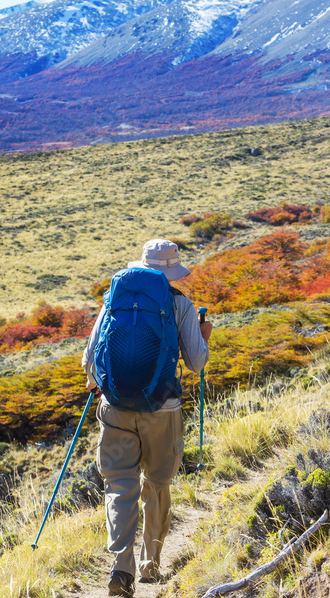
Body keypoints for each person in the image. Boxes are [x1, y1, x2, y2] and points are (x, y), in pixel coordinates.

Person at [82, 239, 212, 597]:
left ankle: (120, 567)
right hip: (162, 409)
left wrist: (98, 384)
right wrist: (204, 336)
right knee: (156, 483)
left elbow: (90, 358)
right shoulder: (181, 304)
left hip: (115, 408)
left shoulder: (115, 299)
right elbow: (196, 362)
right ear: (171, 271)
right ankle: (150, 565)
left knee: (119, 485)